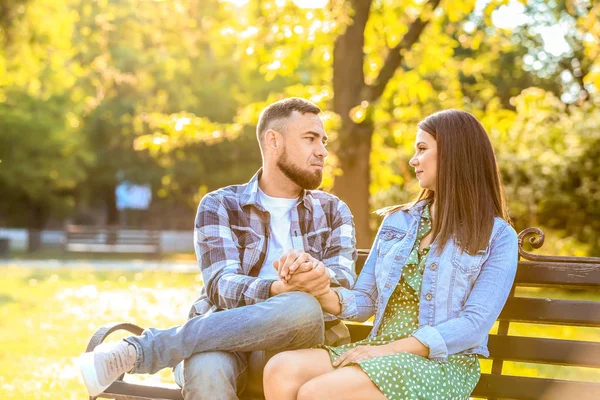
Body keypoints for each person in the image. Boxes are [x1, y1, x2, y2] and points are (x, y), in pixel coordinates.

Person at [77, 97, 357, 400]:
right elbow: (221, 286)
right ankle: (145, 351)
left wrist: (313, 275)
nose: (323, 151)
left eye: (324, 141)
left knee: (301, 306)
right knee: (205, 365)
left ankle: (141, 350)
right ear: (273, 141)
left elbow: (342, 280)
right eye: (310, 138)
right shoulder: (220, 204)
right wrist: (276, 288)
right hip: (223, 341)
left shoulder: (333, 211)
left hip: (301, 345)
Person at [263, 109, 519, 400]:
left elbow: (473, 326)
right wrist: (318, 287)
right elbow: (364, 301)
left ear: (454, 155)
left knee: (318, 393)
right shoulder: (398, 222)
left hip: (441, 364)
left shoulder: (498, 236)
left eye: (422, 149)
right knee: (280, 369)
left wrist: (385, 351)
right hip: (380, 348)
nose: (413, 160)